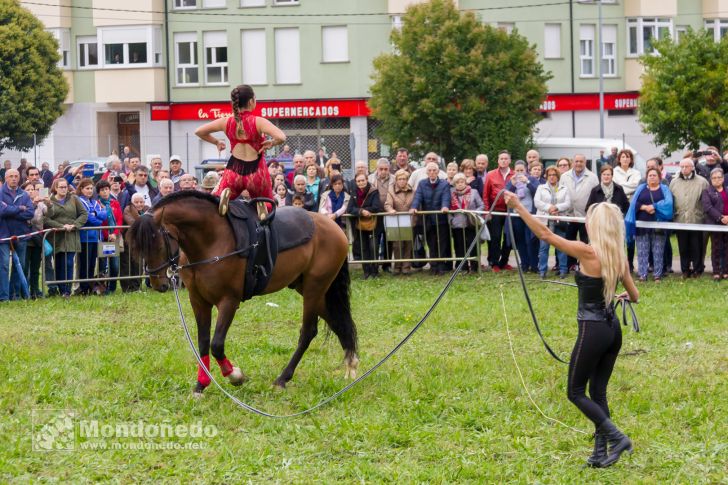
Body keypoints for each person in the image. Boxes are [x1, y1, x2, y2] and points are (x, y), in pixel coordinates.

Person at [505, 191, 639, 469]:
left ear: (596, 226)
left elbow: (546, 235)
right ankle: (599, 452)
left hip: (592, 329)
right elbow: (635, 296)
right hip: (612, 330)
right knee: (598, 392)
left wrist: (518, 206)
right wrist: (618, 295)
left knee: (575, 392)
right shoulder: (618, 256)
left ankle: (617, 438)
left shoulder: (588, 251)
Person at [195, 84, 286, 216]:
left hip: (233, 172)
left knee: (215, 199)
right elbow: (281, 137)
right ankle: (261, 203)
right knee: (268, 203)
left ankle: (224, 196)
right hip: (256, 172)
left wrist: (216, 142)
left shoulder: (226, 121)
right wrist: (272, 143)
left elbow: (199, 131)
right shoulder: (258, 121)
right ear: (251, 101)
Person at [626, 167, 674, 282]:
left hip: (658, 225)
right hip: (642, 226)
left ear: (659, 177)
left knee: (658, 251)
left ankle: (657, 275)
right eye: (650, 175)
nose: (652, 177)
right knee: (642, 251)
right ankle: (642, 274)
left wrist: (655, 207)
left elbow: (668, 204)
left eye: (654, 175)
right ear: (646, 178)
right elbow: (634, 203)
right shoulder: (641, 189)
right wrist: (644, 207)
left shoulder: (665, 189)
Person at [43, 178, 88, 298]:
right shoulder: (50, 201)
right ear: (55, 188)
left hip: (71, 236)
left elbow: (84, 214)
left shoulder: (74, 199)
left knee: (68, 262)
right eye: (61, 187)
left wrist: (75, 225)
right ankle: (61, 288)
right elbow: (46, 219)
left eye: (65, 187)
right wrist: (61, 226)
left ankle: (67, 290)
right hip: (57, 236)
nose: (64, 189)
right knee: (58, 263)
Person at [410, 162, 451, 275]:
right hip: (428, 219)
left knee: (442, 243)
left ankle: (442, 265)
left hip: (441, 219)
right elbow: (418, 196)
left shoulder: (444, 184)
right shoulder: (422, 184)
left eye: (434, 170)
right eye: (430, 170)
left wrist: (445, 206)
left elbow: (446, 196)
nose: (432, 172)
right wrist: (414, 207)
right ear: (427, 172)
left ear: (438, 172)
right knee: (431, 243)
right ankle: (434, 266)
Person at [670, 158, 709, 278]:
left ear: (692, 167)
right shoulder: (674, 182)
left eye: (686, 166)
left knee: (696, 246)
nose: (684, 169)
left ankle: (697, 269)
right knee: (683, 246)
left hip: (696, 219)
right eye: (681, 167)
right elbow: (672, 200)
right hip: (680, 219)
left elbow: (707, 200)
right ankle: (685, 270)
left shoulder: (702, 182)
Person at [560, 154, 599, 272]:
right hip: (569, 214)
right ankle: (571, 264)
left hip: (585, 215)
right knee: (569, 240)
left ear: (585, 162)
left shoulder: (592, 177)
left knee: (584, 241)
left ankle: (584, 264)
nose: (578, 164)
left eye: (581, 161)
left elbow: (596, 195)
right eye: (576, 161)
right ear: (573, 162)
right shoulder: (564, 176)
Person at [0, 169, 34, 301]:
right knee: (3, 266)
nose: (14, 178)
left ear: (19, 178)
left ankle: (14, 293)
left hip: (21, 234)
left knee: (20, 265)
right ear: (6, 178)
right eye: (11, 176)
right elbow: (1, 211)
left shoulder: (24, 194)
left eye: (16, 176)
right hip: (3, 235)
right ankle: (3, 297)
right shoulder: (1, 193)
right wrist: (20, 208)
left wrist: (9, 210)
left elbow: (30, 212)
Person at [534, 166, 572, 278]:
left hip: (559, 221)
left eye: (554, 175)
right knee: (543, 248)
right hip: (544, 222)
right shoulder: (541, 188)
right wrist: (549, 208)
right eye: (549, 175)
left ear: (558, 176)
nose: (551, 177)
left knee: (561, 246)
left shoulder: (564, 188)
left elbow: (567, 203)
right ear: (546, 176)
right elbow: (537, 202)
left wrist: (556, 208)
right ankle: (542, 270)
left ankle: (563, 269)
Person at [504, 160, 539, 272]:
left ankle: (534, 265)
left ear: (526, 170)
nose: (519, 172)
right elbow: (505, 195)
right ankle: (524, 264)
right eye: (517, 170)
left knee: (531, 240)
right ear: (514, 170)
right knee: (520, 241)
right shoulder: (511, 181)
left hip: (529, 214)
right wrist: (513, 185)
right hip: (516, 215)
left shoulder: (532, 179)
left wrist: (527, 182)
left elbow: (537, 192)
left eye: (522, 170)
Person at [483, 150, 515, 272]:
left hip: (509, 212)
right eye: (501, 158)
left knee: (508, 237)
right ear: (498, 160)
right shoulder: (490, 175)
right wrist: (487, 211)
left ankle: (504, 262)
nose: (503, 160)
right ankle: (494, 262)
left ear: (509, 161)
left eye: (506, 158)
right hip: (495, 211)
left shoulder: (514, 174)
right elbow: (485, 195)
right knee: (495, 237)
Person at [347, 173, 383, 279]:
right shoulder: (354, 192)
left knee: (373, 247)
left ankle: (375, 271)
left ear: (367, 180)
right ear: (356, 182)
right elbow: (350, 209)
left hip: (374, 224)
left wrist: (366, 210)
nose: (361, 183)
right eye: (358, 181)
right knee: (363, 248)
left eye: (363, 180)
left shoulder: (374, 191)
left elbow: (376, 206)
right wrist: (361, 211)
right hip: (360, 225)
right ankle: (366, 271)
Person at [76, 178, 107, 295]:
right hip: (85, 238)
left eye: (91, 188)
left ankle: (90, 286)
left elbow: (104, 215)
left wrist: (96, 214)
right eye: (87, 188)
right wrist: (96, 217)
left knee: (92, 264)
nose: (89, 191)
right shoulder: (79, 201)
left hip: (95, 238)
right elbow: (88, 218)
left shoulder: (95, 202)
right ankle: (84, 288)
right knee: (85, 264)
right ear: (81, 189)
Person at [449, 173, 484, 273]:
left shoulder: (474, 192)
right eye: (457, 182)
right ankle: (462, 267)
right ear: (454, 184)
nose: (460, 184)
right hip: (457, 225)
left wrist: (474, 213)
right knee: (459, 247)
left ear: (465, 182)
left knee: (473, 245)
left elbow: (481, 205)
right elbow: (448, 208)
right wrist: (451, 220)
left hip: (471, 223)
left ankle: (474, 267)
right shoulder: (451, 193)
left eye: (462, 182)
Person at [385, 169, 415, 275]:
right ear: (396, 180)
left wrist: (414, 208)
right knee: (397, 245)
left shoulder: (412, 190)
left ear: (407, 180)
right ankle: (397, 267)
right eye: (400, 179)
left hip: (409, 220)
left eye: (404, 179)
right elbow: (387, 204)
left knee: (408, 244)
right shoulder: (391, 190)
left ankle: (406, 267)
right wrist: (390, 210)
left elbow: (415, 202)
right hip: (396, 220)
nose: (402, 181)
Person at [96, 180, 122, 295]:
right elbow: (100, 222)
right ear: (99, 192)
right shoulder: (97, 204)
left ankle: (112, 287)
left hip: (114, 238)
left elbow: (120, 220)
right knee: (103, 265)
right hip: (104, 238)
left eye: (106, 189)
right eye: (102, 190)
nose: (105, 192)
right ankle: (103, 288)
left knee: (115, 266)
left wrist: (115, 233)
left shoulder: (114, 203)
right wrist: (107, 234)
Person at [701, 168, 728, 280]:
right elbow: (708, 207)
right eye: (714, 178)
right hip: (715, 223)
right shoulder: (707, 192)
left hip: (727, 223)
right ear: (711, 179)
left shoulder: (727, 190)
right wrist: (720, 217)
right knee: (716, 248)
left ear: (723, 179)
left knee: (727, 248)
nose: (717, 180)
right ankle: (716, 271)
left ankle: (726, 271)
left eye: (719, 177)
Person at [121, 193, 149, 292]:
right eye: (136, 202)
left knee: (138, 264)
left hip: (140, 241)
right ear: (132, 202)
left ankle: (136, 287)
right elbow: (133, 223)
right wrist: (144, 222)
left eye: (141, 202)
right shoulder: (128, 209)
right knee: (127, 264)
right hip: (129, 240)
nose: (139, 204)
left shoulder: (147, 209)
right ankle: (127, 287)